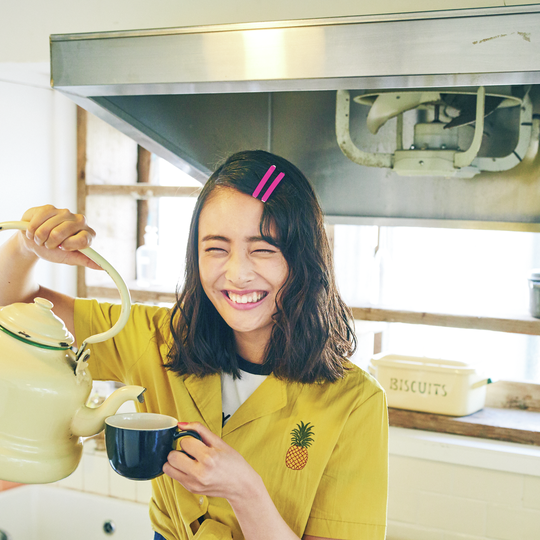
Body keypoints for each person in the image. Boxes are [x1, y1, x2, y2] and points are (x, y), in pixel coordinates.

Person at [0, 150, 388, 540]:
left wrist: (245, 492)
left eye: (264, 249)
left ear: (302, 259)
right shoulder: (158, 337)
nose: (237, 274)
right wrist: (25, 247)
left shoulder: (356, 402)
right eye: (216, 248)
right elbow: (11, 308)